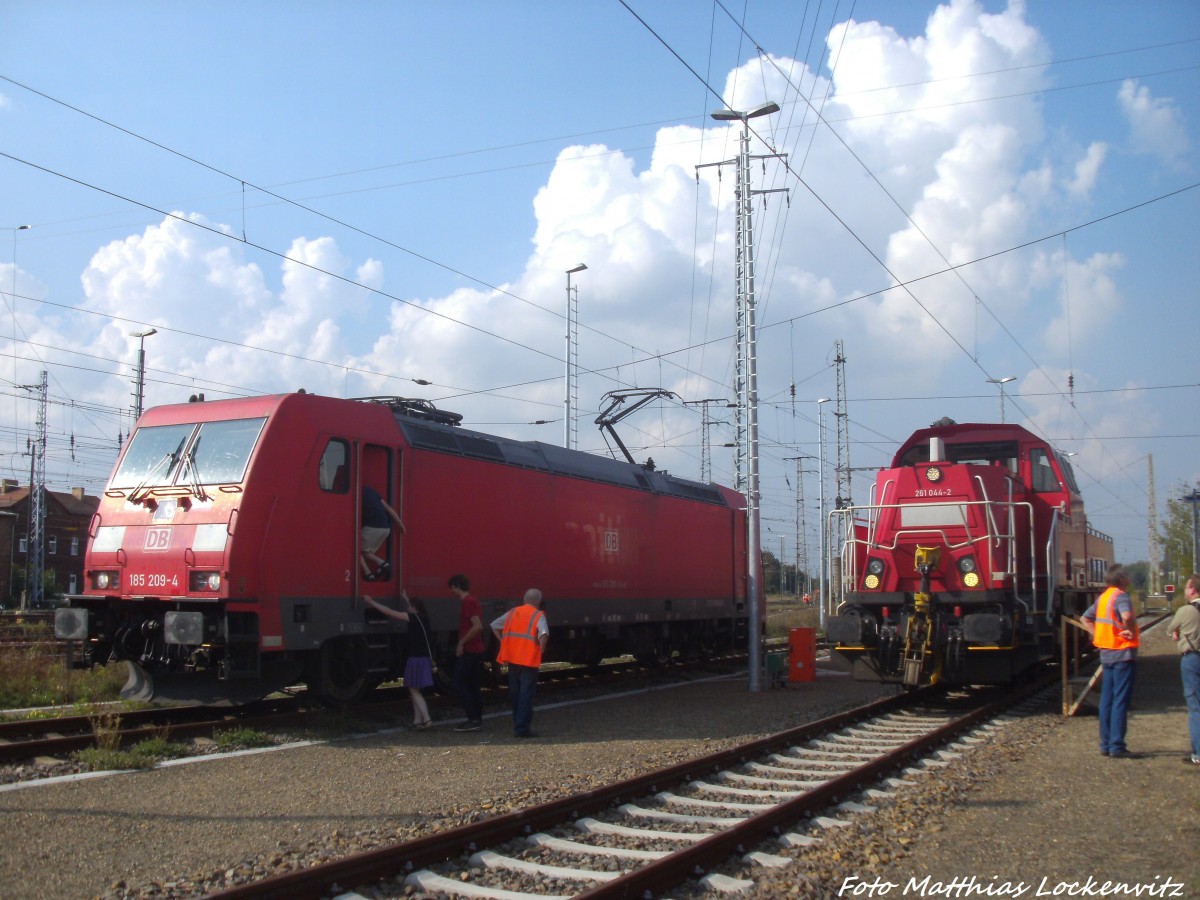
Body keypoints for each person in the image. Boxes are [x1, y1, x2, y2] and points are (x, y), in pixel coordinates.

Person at [1079, 564, 1140, 758]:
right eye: (1127, 576)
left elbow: (1084, 619)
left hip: (1106, 654)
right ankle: (1117, 746)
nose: (1129, 579)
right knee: (1120, 700)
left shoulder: (1103, 598)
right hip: (1122, 653)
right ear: (1121, 580)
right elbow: (1127, 615)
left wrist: (1097, 635)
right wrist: (1129, 629)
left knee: (1106, 700)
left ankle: (1105, 744)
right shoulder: (1121, 597)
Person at [362, 591, 433, 729]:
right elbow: (412, 607)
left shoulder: (411, 618)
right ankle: (417, 721)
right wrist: (406, 597)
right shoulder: (425, 619)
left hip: (415, 660)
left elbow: (389, 612)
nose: (407, 608)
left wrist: (371, 602)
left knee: (414, 691)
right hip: (424, 659)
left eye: (409, 606)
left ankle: (427, 719)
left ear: (413, 608)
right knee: (415, 690)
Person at [491, 589, 549, 739]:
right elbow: (543, 634)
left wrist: (503, 641)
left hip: (513, 659)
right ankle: (522, 729)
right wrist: (540, 650)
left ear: (524, 599)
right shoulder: (538, 615)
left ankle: (518, 724)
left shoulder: (512, 613)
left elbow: (494, 625)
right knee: (526, 695)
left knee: (516, 694)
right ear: (538, 601)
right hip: (529, 661)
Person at [1167, 573, 1200, 766]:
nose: (1185, 590)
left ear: (1193, 590)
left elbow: (1171, 628)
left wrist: (1178, 633)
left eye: (1187, 588)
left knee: (1195, 706)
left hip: (1192, 659)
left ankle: (1197, 753)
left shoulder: (1185, 611)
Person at [448, 574, 485, 732]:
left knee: (459, 683)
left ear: (457, 586)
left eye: (452, 588)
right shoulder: (471, 601)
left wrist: (461, 643)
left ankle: (473, 718)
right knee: (472, 684)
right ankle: (476, 718)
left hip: (471, 649)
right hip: (476, 649)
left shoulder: (468, 602)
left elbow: (477, 626)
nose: (451, 592)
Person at [361, 486, 405, 581]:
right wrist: (400, 523)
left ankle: (374, 569)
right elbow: (388, 508)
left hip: (372, 527)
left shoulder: (357, 494)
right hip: (385, 528)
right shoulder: (372, 492)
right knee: (366, 552)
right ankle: (372, 572)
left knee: (356, 550)